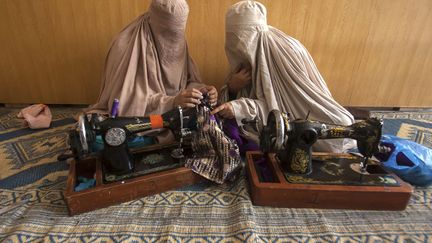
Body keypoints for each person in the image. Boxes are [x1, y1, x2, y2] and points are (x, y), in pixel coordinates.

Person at [211, 0, 355, 152]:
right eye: (234, 40)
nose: (239, 47)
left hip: (304, 115)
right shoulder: (243, 56)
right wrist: (233, 87)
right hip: (264, 124)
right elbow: (231, 106)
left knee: (338, 128)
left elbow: (290, 109)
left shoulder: (288, 51)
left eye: (243, 39)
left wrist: (242, 107)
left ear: (256, 34)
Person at [87, 0, 217, 117]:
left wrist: (201, 91)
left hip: (177, 111)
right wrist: (171, 102)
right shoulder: (125, 47)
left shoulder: (179, 43)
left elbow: (186, 82)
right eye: (168, 33)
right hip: (145, 118)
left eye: (178, 33)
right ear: (153, 22)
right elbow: (124, 105)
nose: (174, 40)